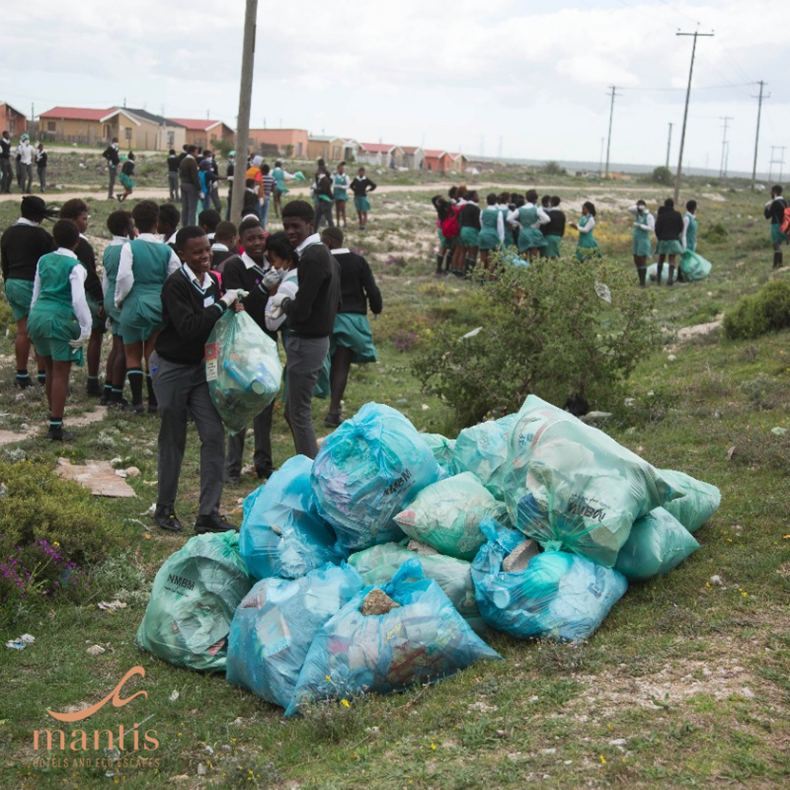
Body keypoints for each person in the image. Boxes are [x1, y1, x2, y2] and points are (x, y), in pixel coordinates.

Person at [150, 226, 245, 535]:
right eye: (196, 252)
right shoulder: (175, 285)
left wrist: (231, 308)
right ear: (182, 254)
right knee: (173, 438)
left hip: (201, 370)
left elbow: (214, 321)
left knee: (214, 435)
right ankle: (164, 508)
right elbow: (190, 327)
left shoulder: (211, 282)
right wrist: (222, 304)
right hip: (172, 369)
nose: (205, 256)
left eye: (207, 249)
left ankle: (208, 513)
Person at [267, 200, 340, 458]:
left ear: (311, 224)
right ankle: (308, 465)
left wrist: (282, 300)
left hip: (307, 341)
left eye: (295, 226)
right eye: (286, 226)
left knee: (298, 412)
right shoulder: (324, 253)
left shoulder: (312, 257)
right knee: (295, 410)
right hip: (316, 341)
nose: (290, 232)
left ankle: (311, 469)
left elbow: (301, 311)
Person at [221, 217, 281, 483]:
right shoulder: (235, 266)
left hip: (267, 342)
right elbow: (239, 306)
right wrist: (264, 288)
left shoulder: (274, 264)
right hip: (242, 344)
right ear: (240, 242)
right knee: (240, 403)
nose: (257, 243)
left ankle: (263, 463)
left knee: (265, 401)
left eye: (261, 237)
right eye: (251, 239)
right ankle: (232, 467)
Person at [26, 219, 92, 441]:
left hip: (37, 317)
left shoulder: (43, 260)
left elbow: (36, 293)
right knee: (61, 373)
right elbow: (78, 300)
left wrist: (32, 323)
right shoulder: (76, 267)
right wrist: (86, 328)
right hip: (59, 319)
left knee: (50, 371)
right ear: (77, 242)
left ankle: (53, 418)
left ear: (55, 239)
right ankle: (55, 427)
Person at [115, 200, 181, 414]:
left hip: (134, 301)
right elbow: (175, 277)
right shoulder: (166, 250)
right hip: (157, 304)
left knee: (132, 354)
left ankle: (136, 403)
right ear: (156, 223)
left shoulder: (129, 247)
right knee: (152, 354)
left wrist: (120, 300)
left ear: (135, 223)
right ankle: (154, 401)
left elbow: (124, 276)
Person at [320, 226, 381, 427]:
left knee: (331, 360)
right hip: (352, 320)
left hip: (328, 317)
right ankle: (333, 410)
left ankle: (333, 409)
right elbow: (371, 289)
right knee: (342, 365)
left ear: (328, 242)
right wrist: (376, 307)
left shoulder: (323, 261)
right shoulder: (358, 261)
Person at [1, 195, 56, 387]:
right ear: (36, 215)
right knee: (39, 332)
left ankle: (22, 374)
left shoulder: (8, 233)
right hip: (30, 285)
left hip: (12, 284)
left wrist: (8, 281)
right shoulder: (41, 236)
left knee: (23, 331)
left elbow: (5, 265)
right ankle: (43, 375)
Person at [59, 199, 106, 396]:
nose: (86, 223)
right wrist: (101, 300)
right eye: (84, 219)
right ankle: (93, 381)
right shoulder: (82, 245)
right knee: (96, 335)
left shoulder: (54, 243)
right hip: (84, 296)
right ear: (72, 220)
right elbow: (90, 277)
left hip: (60, 297)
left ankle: (59, 380)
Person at [102, 210, 134, 407]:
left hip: (108, 297)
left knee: (115, 347)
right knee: (123, 349)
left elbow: (106, 279)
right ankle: (116, 394)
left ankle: (107, 390)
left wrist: (105, 304)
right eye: (132, 225)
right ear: (125, 229)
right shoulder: (127, 249)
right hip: (120, 299)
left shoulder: (108, 248)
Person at [508, 189, 549, 260]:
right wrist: (538, 222)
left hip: (523, 232)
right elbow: (547, 219)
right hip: (534, 233)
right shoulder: (536, 209)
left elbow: (509, 219)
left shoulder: (520, 209)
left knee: (522, 256)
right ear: (536, 199)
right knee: (533, 257)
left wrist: (518, 223)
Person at [654, 197, 684, 285]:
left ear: (665, 204)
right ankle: (670, 278)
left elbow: (657, 228)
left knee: (661, 258)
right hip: (673, 239)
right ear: (672, 205)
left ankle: (658, 279)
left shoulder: (661, 215)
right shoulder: (677, 214)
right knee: (672, 258)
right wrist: (675, 234)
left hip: (662, 239)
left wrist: (660, 237)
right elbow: (681, 227)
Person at [628, 200, 654, 287]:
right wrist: (637, 207)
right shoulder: (637, 215)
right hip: (636, 239)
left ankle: (643, 282)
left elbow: (651, 228)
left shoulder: (649, 216)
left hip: (643, 239)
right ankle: (640, 279)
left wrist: (641, 226)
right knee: (636, 259)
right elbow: (629, 209)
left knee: (642, 258)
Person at [478, 193, 506, 272]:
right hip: (492, 235)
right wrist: (501, 240)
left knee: (483, 256)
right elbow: (500, 227)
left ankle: (481, 276)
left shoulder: (483, 211)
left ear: (487, 201)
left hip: (483, 233)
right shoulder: (498, 212)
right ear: (496, 201)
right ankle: (491, 278)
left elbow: (481, 222)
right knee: (491, 258)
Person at [456, 190, 481, 275]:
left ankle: (461, 271)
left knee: (464, 252)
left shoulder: (464, 207)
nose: (478, 197)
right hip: (472, 231)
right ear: (472, 198)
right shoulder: (476, 209)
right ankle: (469, 274)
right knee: (472, 253)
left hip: (463, 230)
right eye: (476, 196)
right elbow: (477, 223)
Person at [764, 185, 788, 270]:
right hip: (786, 226)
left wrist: (766, 207)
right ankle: (780, 264)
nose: (770, 193)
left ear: (775, 192)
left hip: (776, 226)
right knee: (778, 244)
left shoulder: (775, 203)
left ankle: (775, 265)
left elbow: (767, 216)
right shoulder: (786, 201)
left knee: (776, 245)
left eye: (771, 191)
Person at [179, 145, 202, 226]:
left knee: (185, 208)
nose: (197, 154)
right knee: (192, 208)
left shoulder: (183, 160)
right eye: (196, 152)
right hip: (191, 186)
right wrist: (199, 189)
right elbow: (194, 177)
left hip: (183, 184)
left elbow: (180, 173)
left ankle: (184, 225)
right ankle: (191, 226)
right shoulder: (192, 162)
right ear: (192, 152)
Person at [314, 163, 335, 231]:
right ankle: (313, 232)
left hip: (326, 201)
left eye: (318, 171)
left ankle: (333, 232)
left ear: (321, 171)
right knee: (316, 217)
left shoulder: (324, 180)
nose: (316, 172)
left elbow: (323, 190)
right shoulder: (320, 179)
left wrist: (316, 190)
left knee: (328, 218)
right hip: (322, 201)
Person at [333, 161, 350, 228]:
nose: (341, 170)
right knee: (337, 209)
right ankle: (337, 223)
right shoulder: (336, 177)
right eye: (339, 169)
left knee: (342, 209)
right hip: (336, 194)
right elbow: (333, 185)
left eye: (342, 168)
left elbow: (348, 185)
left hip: (342, 195)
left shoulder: (346, 177)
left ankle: (345, 222)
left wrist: (342, 187)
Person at [260, 164, 276, 230]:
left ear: (262, 171)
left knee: (259, 215)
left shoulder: (259, 178)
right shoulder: (272, 178)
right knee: (264, 216)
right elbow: (273, 190)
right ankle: (263, 230)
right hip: (267, 198)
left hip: (259, 198)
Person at [225, 151, 235, 220]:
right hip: (232, 187)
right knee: (230, 206)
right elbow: (228, 176)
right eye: (230, 157)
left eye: (232, 157)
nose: (231, 158)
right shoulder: (230, 166)